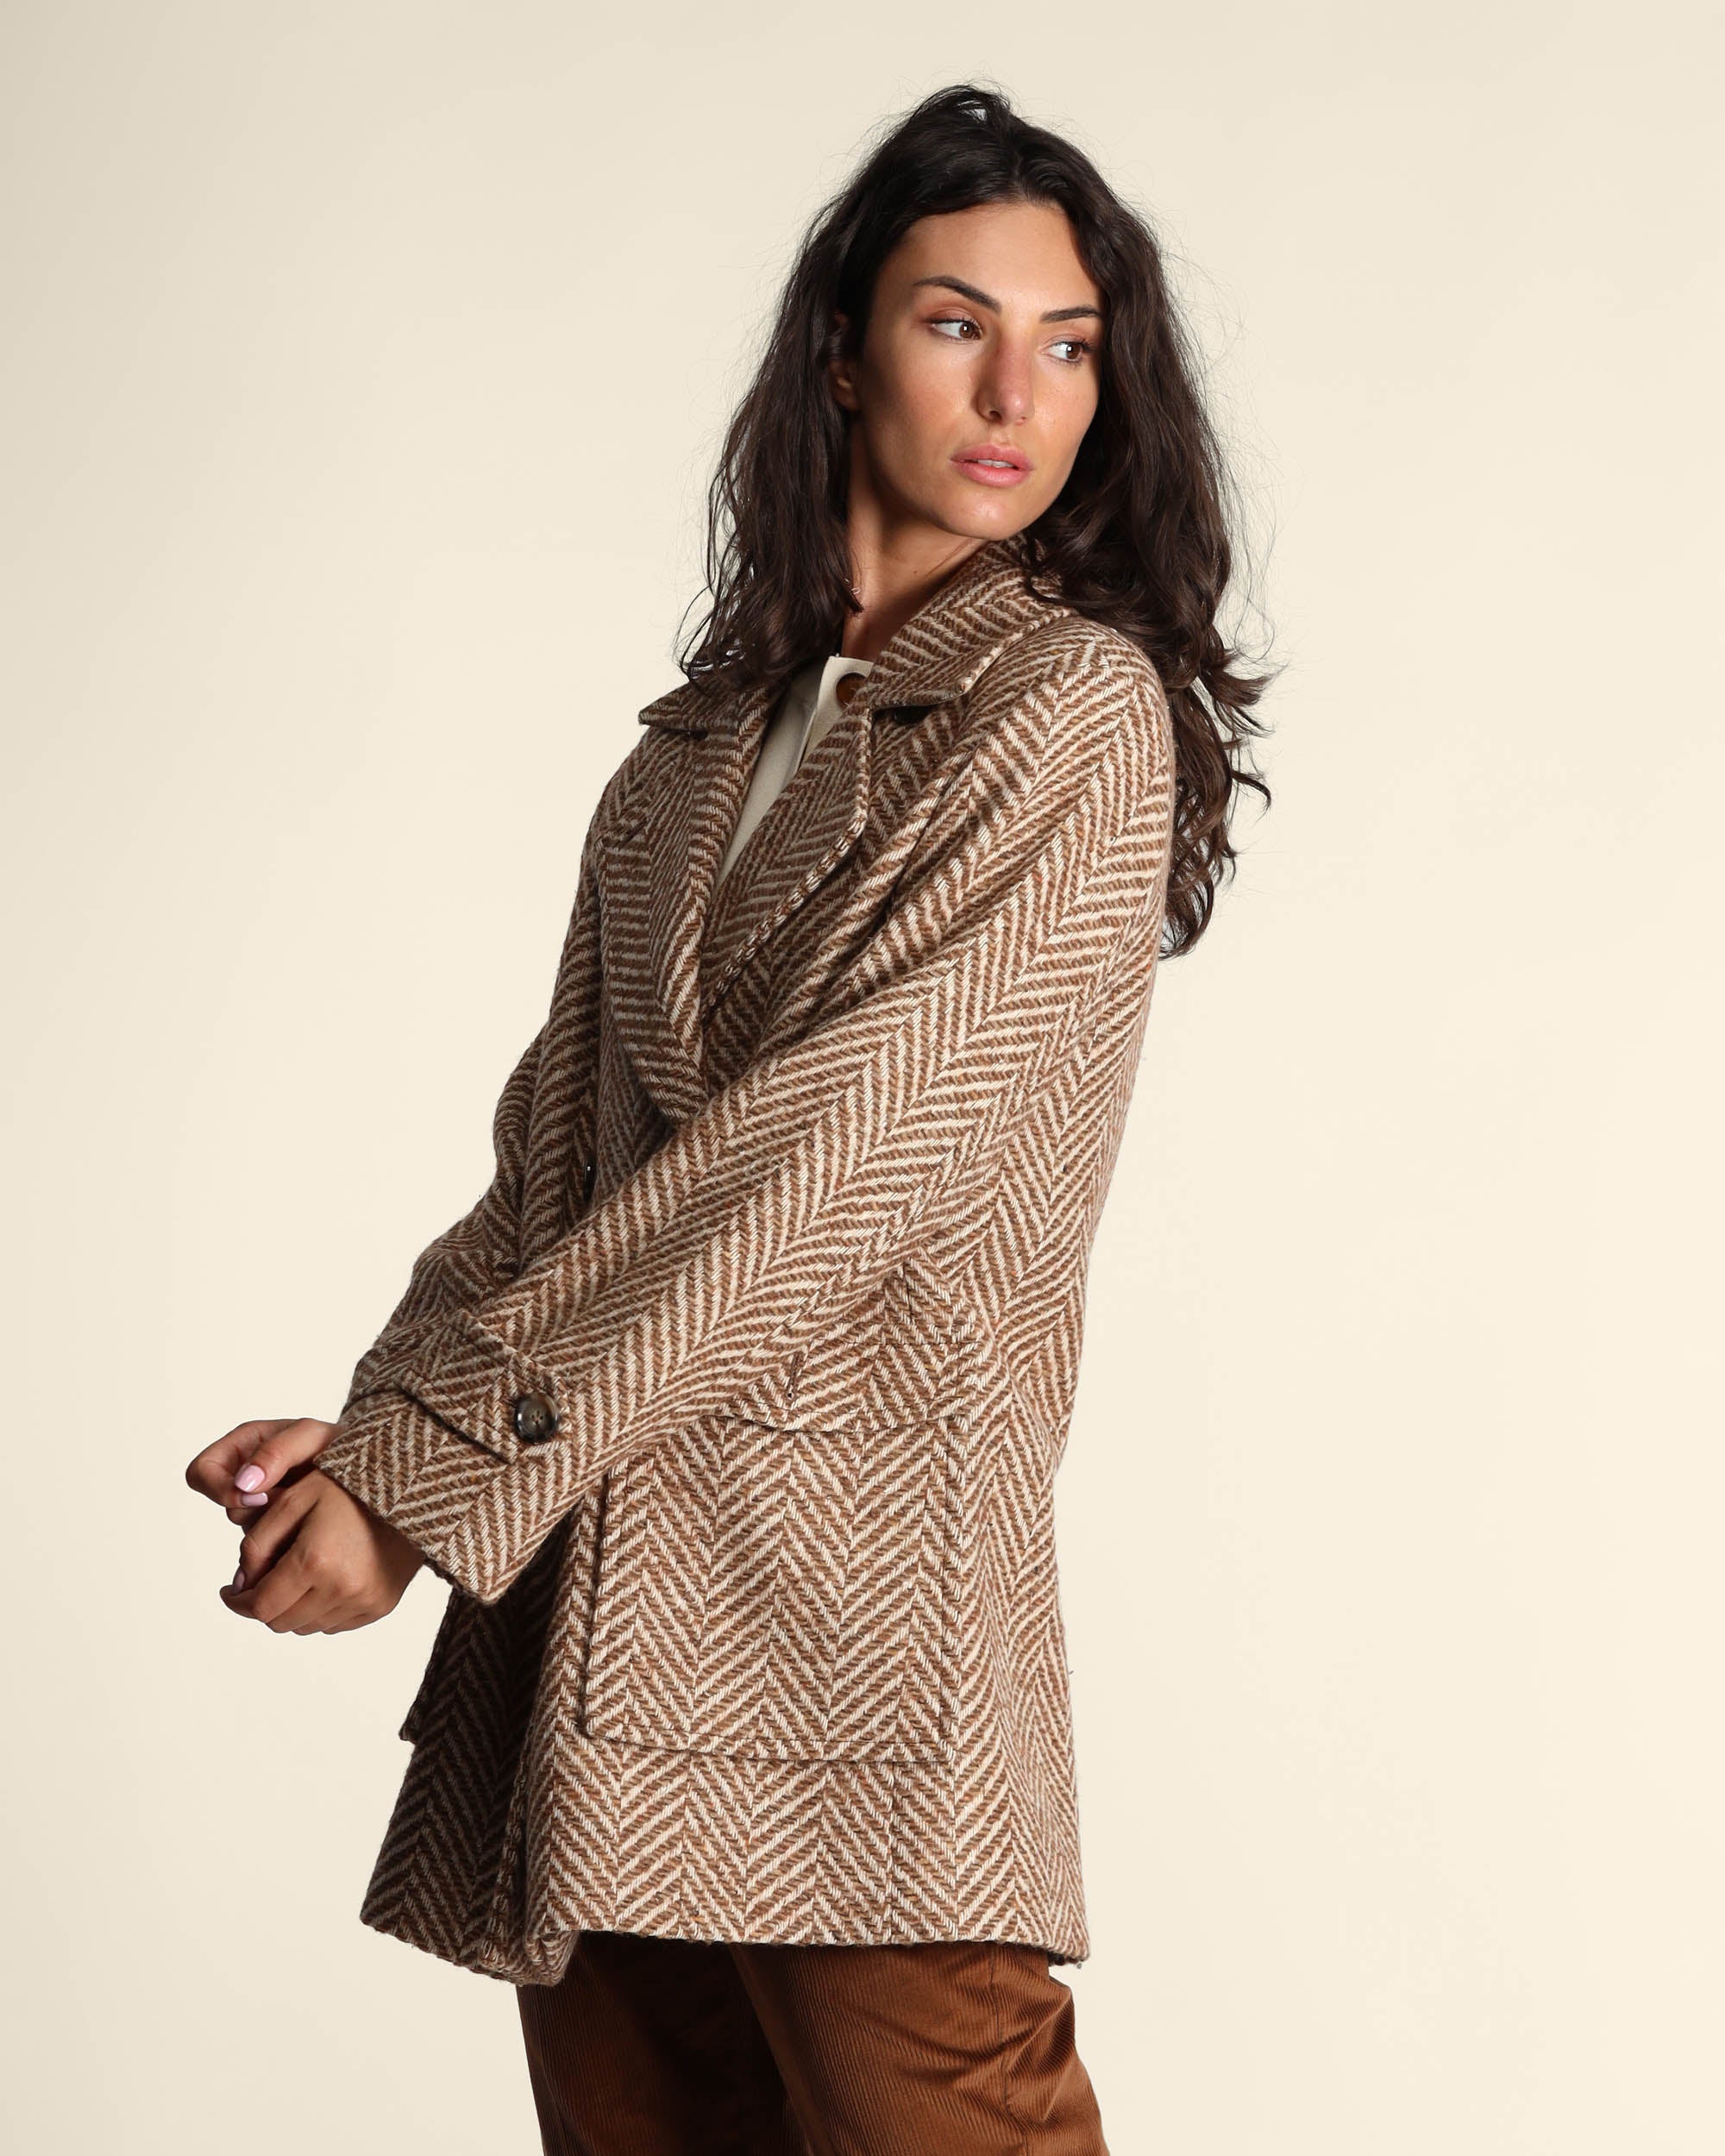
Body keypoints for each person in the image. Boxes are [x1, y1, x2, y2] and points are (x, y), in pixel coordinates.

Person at [185, 80, 1273, 2156]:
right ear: (842, 352)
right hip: (594, 1613)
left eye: (1068, 346)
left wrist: (427, 1479)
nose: (1017, 394)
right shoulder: (691, 749)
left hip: (848, 1627)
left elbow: (819, 1172)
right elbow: (559, 1160)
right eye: (958, 324)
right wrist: (382, 1420)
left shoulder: (1065, 710)